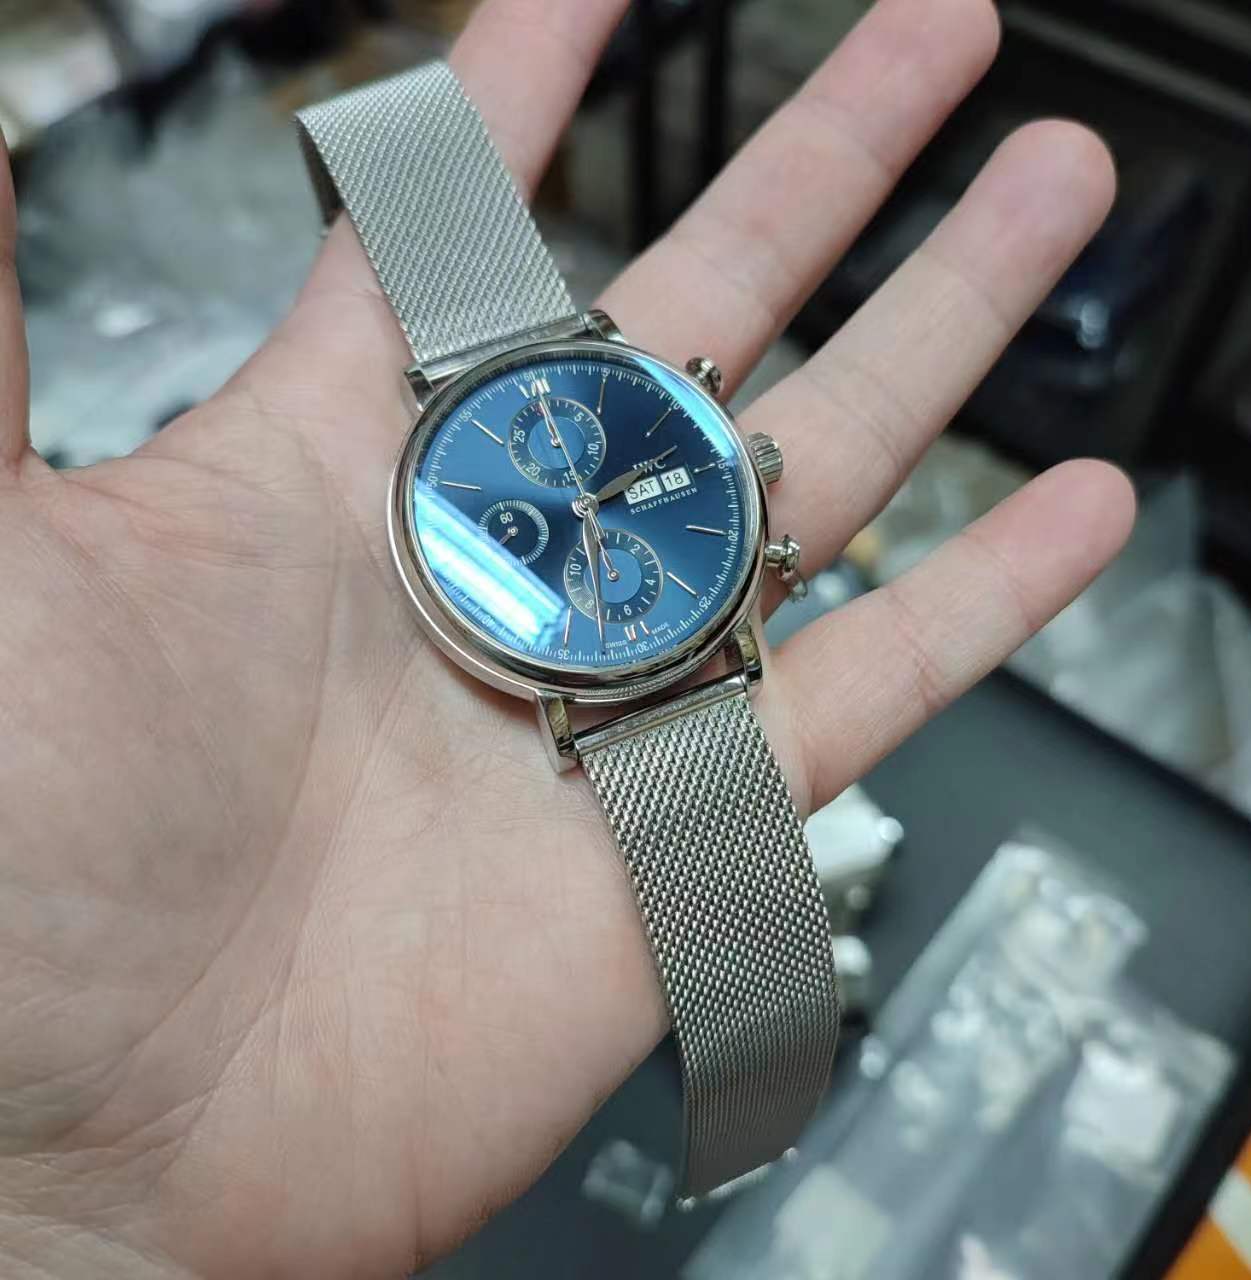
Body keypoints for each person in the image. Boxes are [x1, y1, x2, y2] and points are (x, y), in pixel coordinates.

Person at [0, 0, 1133, 1274]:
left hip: (645, 626)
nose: (582, 505)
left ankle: (759, 1115)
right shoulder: (474, 511)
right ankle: (758, 1119)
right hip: (587, 650)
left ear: (729, 444)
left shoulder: (662, 457)